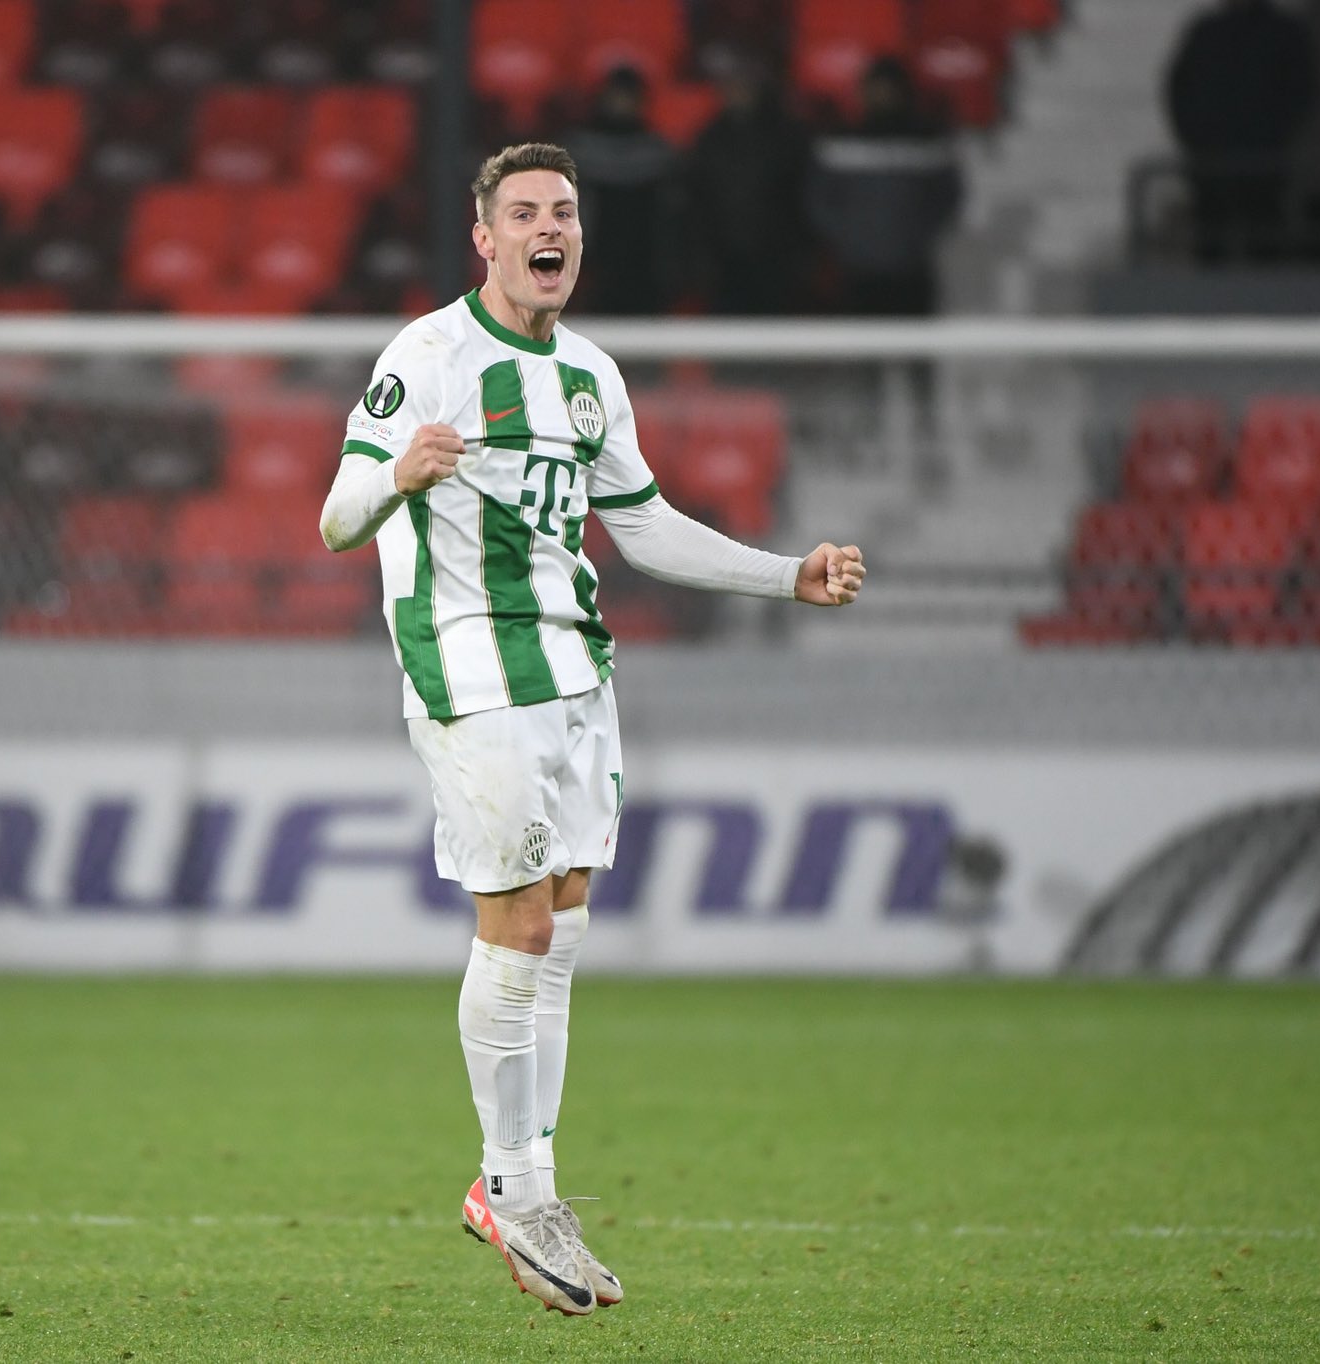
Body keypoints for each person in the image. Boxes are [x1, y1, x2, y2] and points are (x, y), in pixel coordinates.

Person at [317, 143, 866, 1316]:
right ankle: (507, 1190)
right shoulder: (428, 355)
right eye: (521, 212)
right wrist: (400, 474)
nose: (543, 229)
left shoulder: (589, 377)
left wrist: (786, 575)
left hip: (576, 666)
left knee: (560, 918)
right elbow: (332, 515)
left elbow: (646, 526)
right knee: (513, 917)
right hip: (471, 664)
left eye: (560, 211)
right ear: (483, 236)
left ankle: (531, 1187)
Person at [1162, 0, 1320, 263]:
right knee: (1213, 253)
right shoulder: (1205, 31)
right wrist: (1195, 139)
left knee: (1266, 252)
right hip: (1213, 165)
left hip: (1263, 164)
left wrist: (1274, 137)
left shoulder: (1286, 32)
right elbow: (1179, 89)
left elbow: (1301, 92)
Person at [805, 57, 963, 316]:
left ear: (904, 93)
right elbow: (819, 201)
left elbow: (947, 197)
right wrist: (850, 240)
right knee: (861, 351)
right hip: (856, 271)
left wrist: (914, 237)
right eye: (877, 88)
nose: (884, 96)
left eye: (890, 89)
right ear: (863, 92)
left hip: (911, 270)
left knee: (913, 349)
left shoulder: (929, 142)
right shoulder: (838, 143)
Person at [683, 56, 815, 315]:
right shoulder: (709, 140)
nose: (737, 92)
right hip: (723, 261)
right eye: (731, 86)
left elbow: (801, 199)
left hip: (777, 259)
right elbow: (697, 202)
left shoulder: (787, 137)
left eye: (744, 85)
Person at [563, 66, 679, 315]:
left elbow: (668, 220)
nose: (621, 104)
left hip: (645, 270)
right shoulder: (576, 149)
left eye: (628, 97)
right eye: (616, 96)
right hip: (592, 271)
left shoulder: (656, 152)